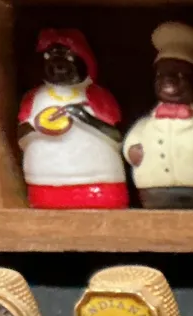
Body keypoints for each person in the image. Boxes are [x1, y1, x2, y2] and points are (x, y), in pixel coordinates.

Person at [17, 29, 126, 209]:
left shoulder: (96, 96)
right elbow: (21, 135)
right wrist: (38, 126)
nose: (58, 66)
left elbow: (117, 137)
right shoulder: (34, 98)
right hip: (45, 180)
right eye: (49, 58)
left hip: (98, 179)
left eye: (68, 58)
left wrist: (84, 117)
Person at [124, 23, 193, 209]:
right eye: (161, 75)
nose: (168, 81)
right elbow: (134, 137)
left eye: (180, 75)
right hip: (152, 192)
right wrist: (131, 149)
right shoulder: (147, 122)